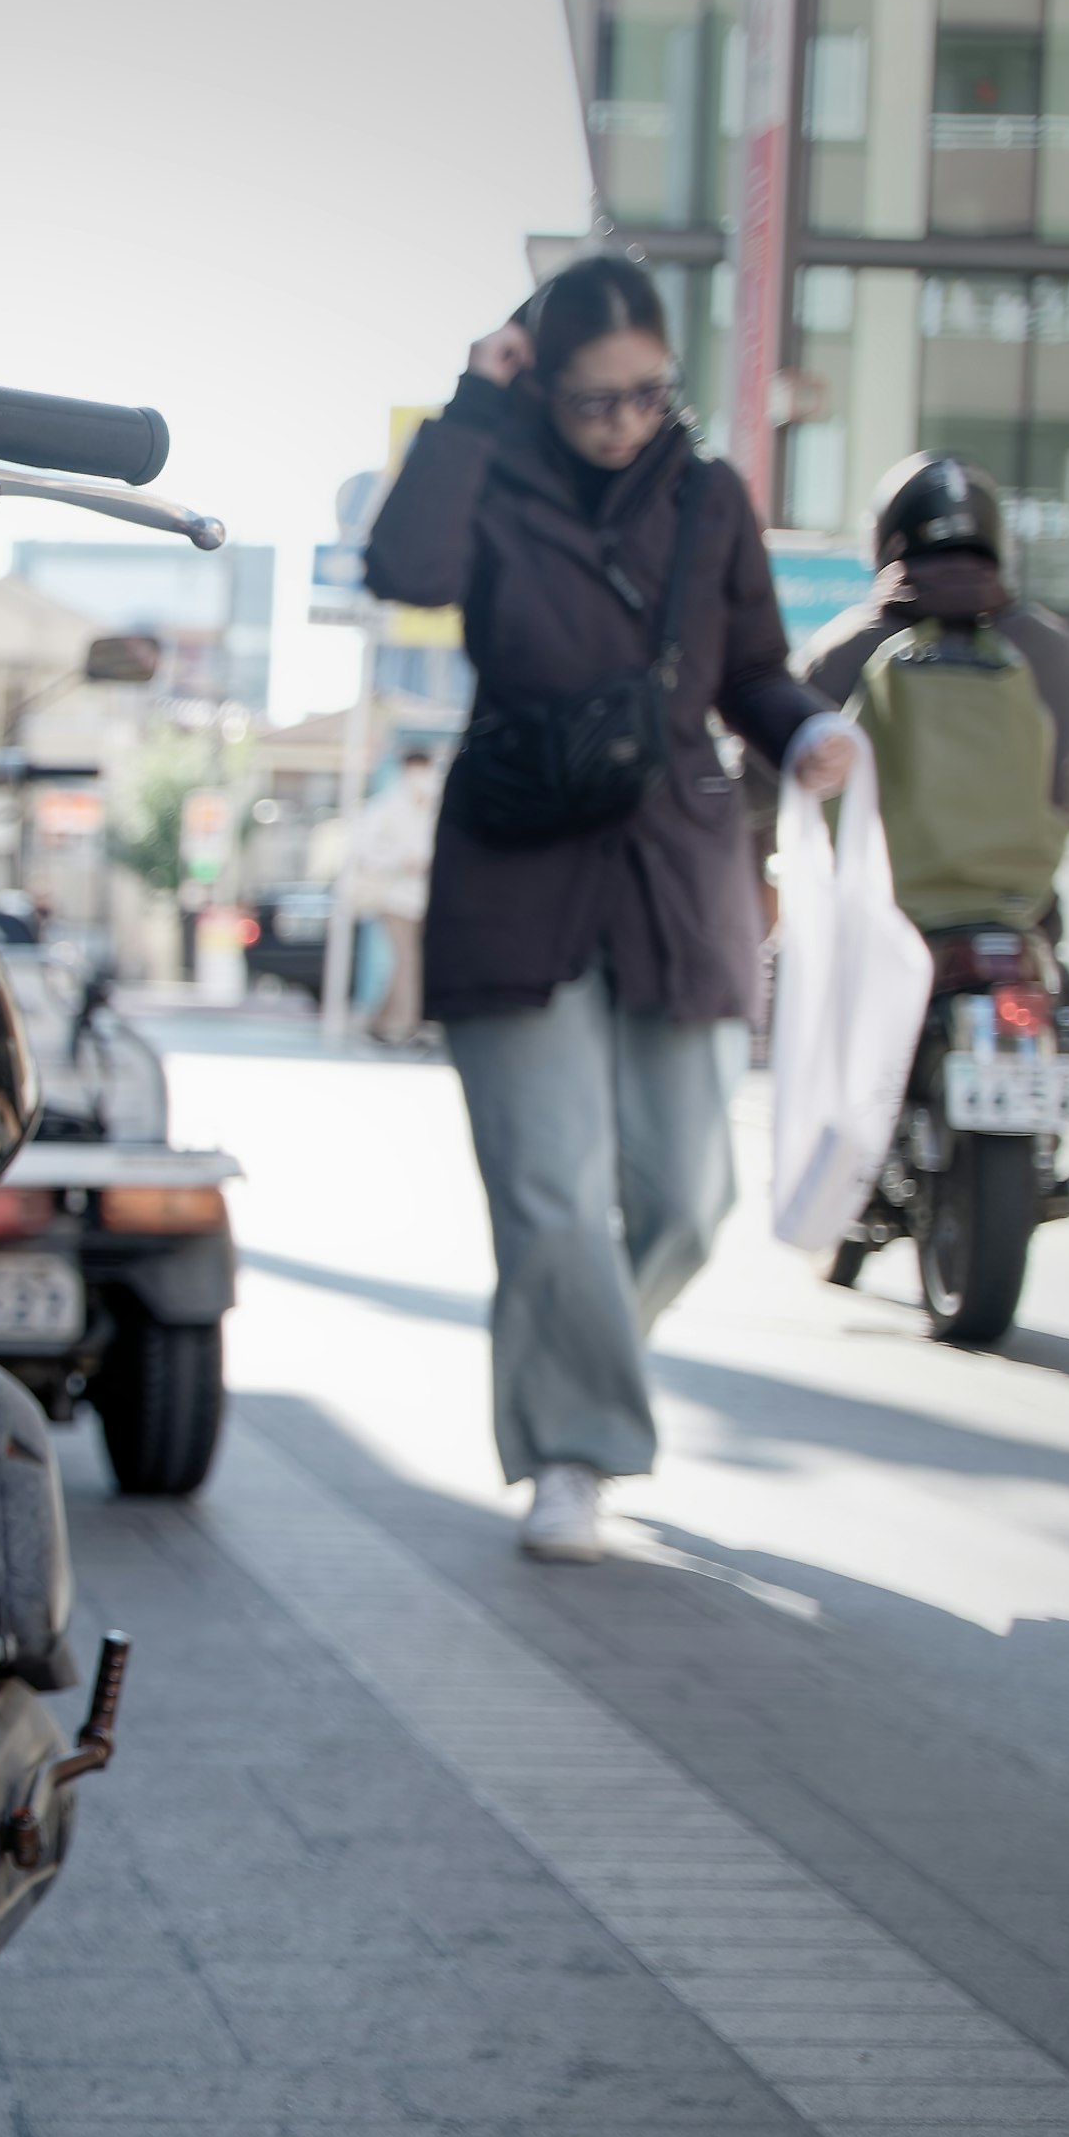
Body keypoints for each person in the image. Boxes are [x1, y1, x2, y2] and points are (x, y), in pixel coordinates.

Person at [362, 254, 854, 1563]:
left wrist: (805, 732)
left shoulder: (709, 497)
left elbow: (752, 668)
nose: (625, 422)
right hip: (514, 855)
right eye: (594, 401)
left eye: (647, 396)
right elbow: (400, 563)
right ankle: (572, 1452)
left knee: (691, 1197)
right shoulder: (493, 471)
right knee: (553, 1199)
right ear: (542, 379)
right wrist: (474, 400)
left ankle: (567, 1360)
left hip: (672, 870)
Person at [796, 454, 1069, 925]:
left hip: (877, 917)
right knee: (1059, 988)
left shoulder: (844, 647)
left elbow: (778, 774)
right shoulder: (1049, 646)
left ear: (885, 537)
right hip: (1018, 912)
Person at [347, 747, 443, 1042]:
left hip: (425, 898)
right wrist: (402, 860)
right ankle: (405, 1026)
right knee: (408, 961)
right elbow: (365, 849)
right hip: (394, 896)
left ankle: (380, 1021)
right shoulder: (387, 805)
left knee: (413, 961)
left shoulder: (433, 804)